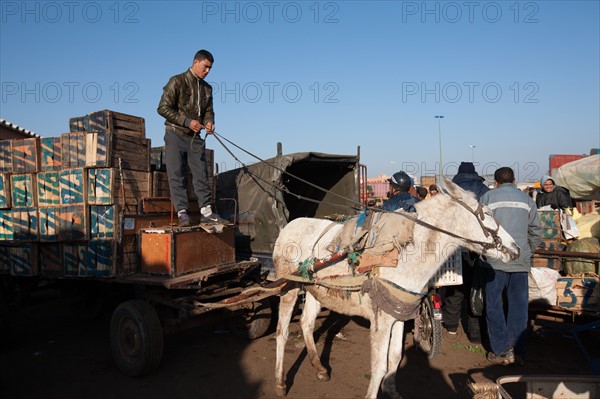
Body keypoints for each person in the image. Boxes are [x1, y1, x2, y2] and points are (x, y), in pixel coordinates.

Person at [480, 167, 541, 365]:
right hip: (520, 261)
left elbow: (479, 228)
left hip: (494, 261)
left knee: (494, 304)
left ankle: (500, 350)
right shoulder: (526, 199)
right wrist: (526, 251)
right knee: (519, 306)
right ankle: (519, 350)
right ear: (514, 180)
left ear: (496, 182)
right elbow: (536, 230)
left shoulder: (487, 198)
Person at [157, 49, 223, 226]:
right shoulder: (176, 81)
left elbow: (209, 111)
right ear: (195, 62)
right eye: (205, 66)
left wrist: (209, 122)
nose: (207, 71)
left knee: (201, 173)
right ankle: (182, 213)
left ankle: (206, 212)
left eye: (210, 68)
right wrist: (187, 121)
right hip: (174, 134)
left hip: (195, 137)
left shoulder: (207, 88)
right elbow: (162, 108)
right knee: (176, 174)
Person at [442, 162, 489, 343]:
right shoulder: (484, 189)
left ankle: (452, 326)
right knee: (475, 287)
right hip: (476, 247)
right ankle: (475, 333)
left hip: (454, 245)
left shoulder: (451, 190)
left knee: (455, 287)